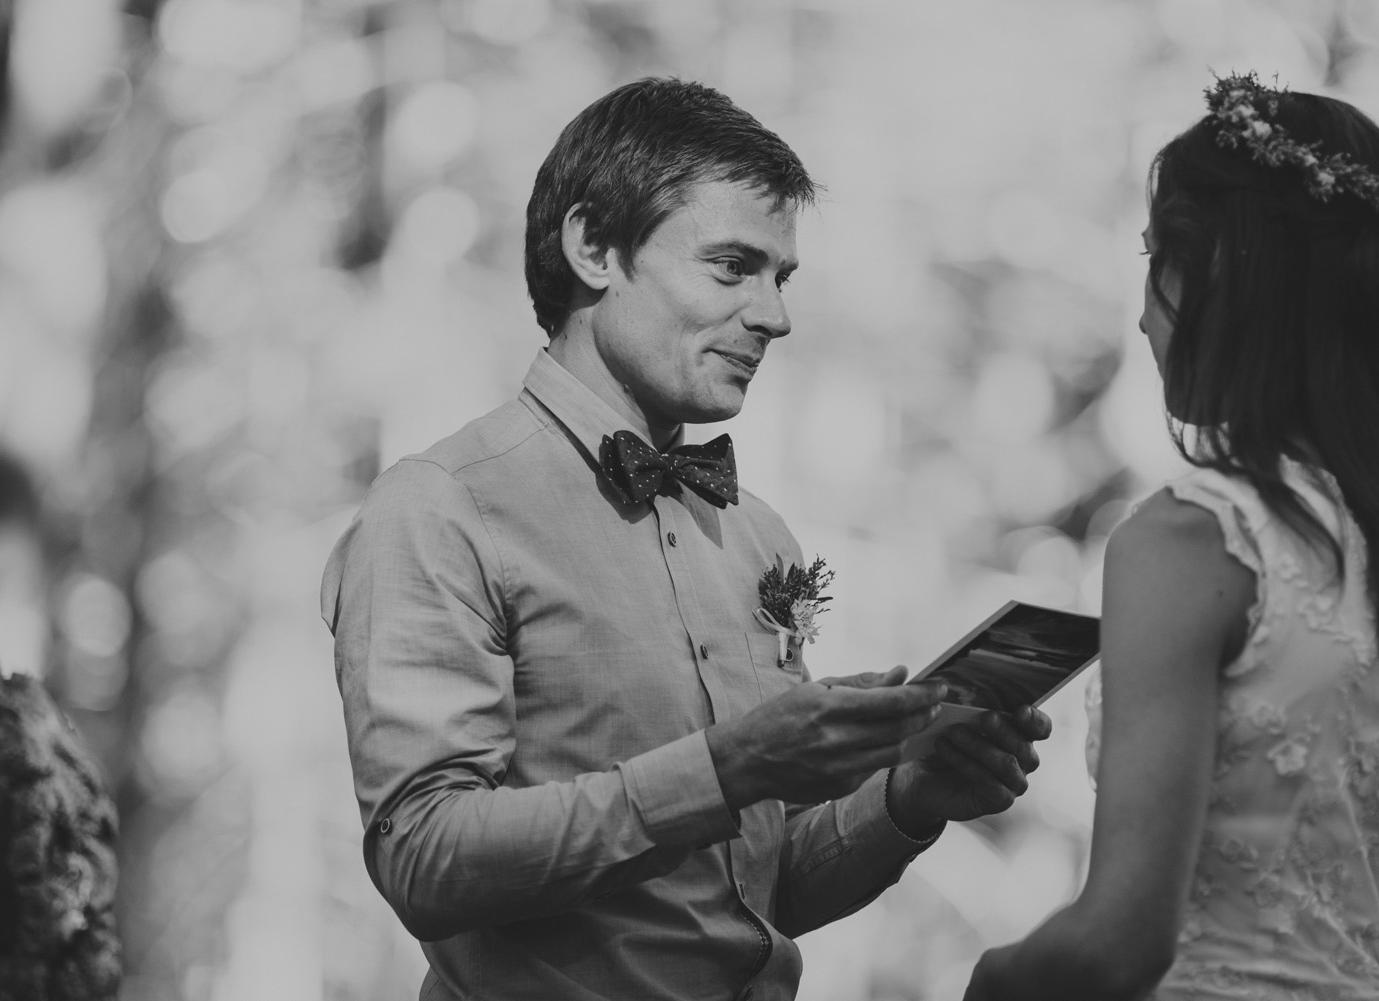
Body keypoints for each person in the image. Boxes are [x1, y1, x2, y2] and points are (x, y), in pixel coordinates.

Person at [322, 77, 1052, 1001]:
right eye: (733, 266)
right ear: (593, 247)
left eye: (781, 278)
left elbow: (760, 892)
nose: (775, 315)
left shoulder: (756, 535)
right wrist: (729, 763)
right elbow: (422, 857)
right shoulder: (440, 507)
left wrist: (910, 797)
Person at [964, 74, 1379, 1001]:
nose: (1145, 315)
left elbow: (1119, 943)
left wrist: (996, 980)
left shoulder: (1194, 541)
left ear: (1219, 277)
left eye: (1155, 262)